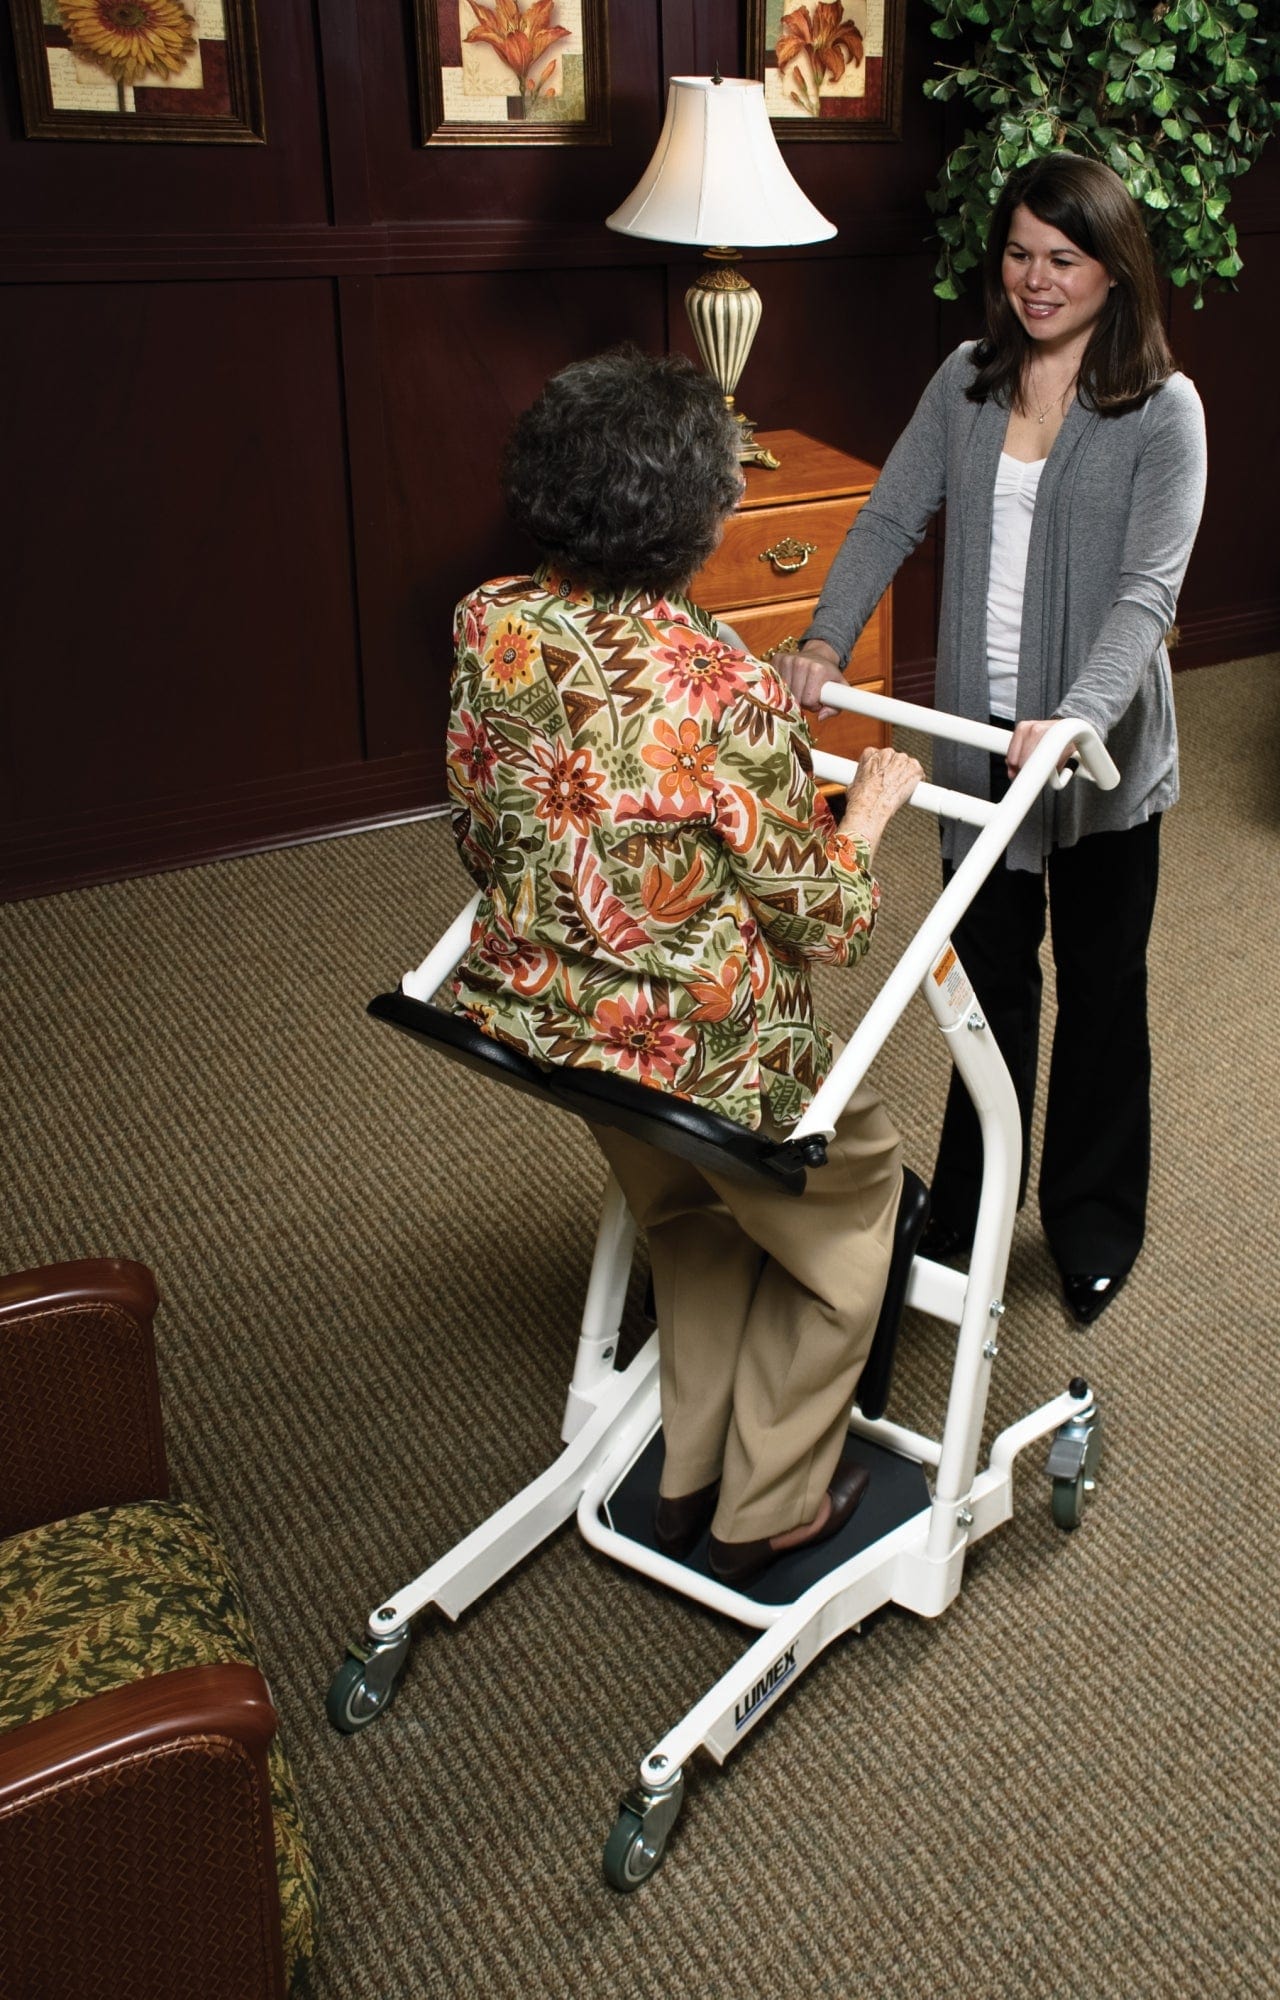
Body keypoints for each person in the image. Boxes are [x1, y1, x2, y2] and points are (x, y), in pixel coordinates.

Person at [446, 347, 922, 1586]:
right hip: (712, 1056)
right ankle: (768, 1502)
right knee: (853, 1211)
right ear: (699, 515)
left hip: (545, 1023)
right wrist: (863, 811)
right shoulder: (721, 680)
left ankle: (684, 1471)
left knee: (688, 1218)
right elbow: (824, 921)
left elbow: (478, 826)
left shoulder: (488, 618)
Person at [776, 153, 1207, 1326]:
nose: (1034, 279)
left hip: (1097, 751)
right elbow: (886, 516)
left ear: (1114, 270)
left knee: (1102, 987)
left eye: (1062, 259)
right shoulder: (965, 380)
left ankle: (1091, 1218)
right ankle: (971, 1209)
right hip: (974, 743)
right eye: (1018, 253)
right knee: (986, 987)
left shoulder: (1159, 410)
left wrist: (1076, 714)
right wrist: (823, 641)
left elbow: (1143, 594)